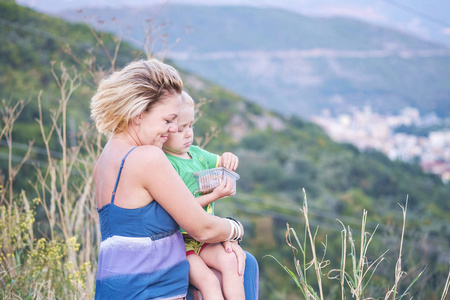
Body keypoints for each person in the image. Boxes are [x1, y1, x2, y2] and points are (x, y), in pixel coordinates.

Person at [90, 58, 244, 300]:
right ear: (139, 114)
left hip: (115, 290)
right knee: (240, 264)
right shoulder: (147, 158)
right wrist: (235, 229)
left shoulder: (105, 159)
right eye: (168, 120)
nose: (173, 129)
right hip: (151, 292)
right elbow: (202, 228)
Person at [163, 91, 244, 299]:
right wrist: (214, 195)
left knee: (232, 263)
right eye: (181, 129)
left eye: (191, 126)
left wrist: (228, 157)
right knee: (208, 282)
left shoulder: (197, 154)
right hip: (182, 242)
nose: (188, 134)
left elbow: (221, 162)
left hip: (206, 237)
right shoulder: (165, 163)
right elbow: (183, 208)